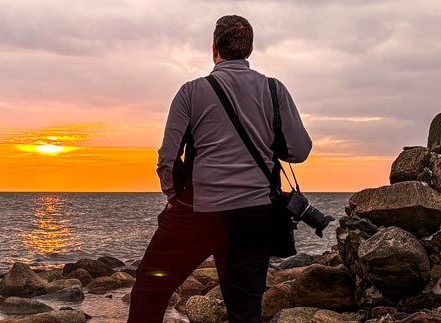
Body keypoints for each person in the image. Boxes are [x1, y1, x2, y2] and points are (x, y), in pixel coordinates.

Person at [127, 15, 312, 323]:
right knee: (244, 308)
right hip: (255, 214)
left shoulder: (191, 92)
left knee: (150, 289)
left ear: (214, 49)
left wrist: (174, 196)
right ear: (249, 50)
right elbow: (299, 151)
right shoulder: (274, 90)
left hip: (199, 213)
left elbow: (168, 159)